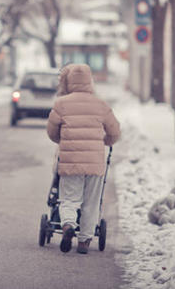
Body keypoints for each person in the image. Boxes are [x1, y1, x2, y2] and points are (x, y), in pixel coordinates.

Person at [46, 64, 121, 254]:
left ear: (69, 81)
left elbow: (52, 132)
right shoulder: (101, 105)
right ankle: (84, 241)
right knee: (91, 203)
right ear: (89, 81)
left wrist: (63, 140)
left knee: (69, 199)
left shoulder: (61, 104)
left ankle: (68, 225)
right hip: (95, 162)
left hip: (70, 161)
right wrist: (105, 141)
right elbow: (114, 132)